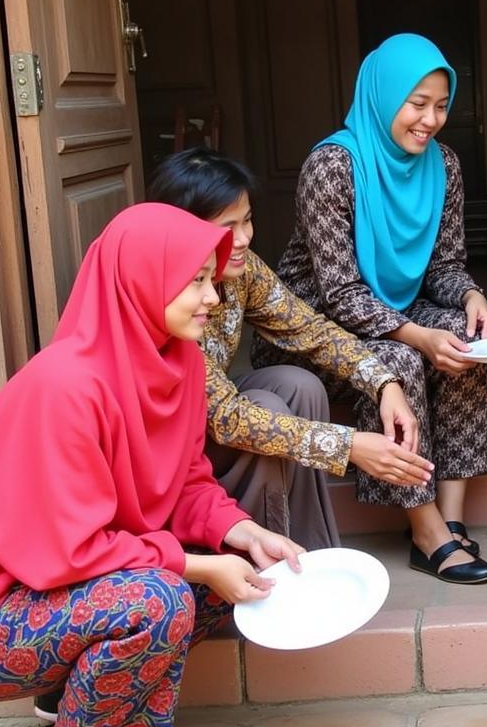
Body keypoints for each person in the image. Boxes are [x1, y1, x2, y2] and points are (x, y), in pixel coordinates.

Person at [0, 204, 303, 727]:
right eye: (194, 281)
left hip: (55, 595)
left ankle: (66, 694)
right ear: (141, 280)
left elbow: (190, 481)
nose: (213, 300)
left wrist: (244, 533)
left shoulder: (177, 361)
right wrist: (199, 566)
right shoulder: (66, 386)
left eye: (211, 280)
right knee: (163, 594)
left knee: (219, 580)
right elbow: (75, 549)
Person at [253, 33, 487, 584]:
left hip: (394, 312)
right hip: (313, 332)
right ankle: (424, 528)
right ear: (384, 97)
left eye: (441, 105)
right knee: (400, 360)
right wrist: (417, 336)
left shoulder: (445, 166)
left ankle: (451, 517)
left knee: (464, 335)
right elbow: (339, 296)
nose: (430, 120)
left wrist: (471, 295)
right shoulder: (332, 167)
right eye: (417, 104)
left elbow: (444, 268)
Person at [148, 148, 432, 550]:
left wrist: (384, 382)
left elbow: (308, 329)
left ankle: (313, 549)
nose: (245, 238)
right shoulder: (161, 293)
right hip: (175, 453)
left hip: (213, 422)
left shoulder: (242, 272)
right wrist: (348, 446)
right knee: (268, 408)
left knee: (296, 384)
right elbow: (226, 418)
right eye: (228, 226)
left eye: (247, 220)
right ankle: (265, 557)